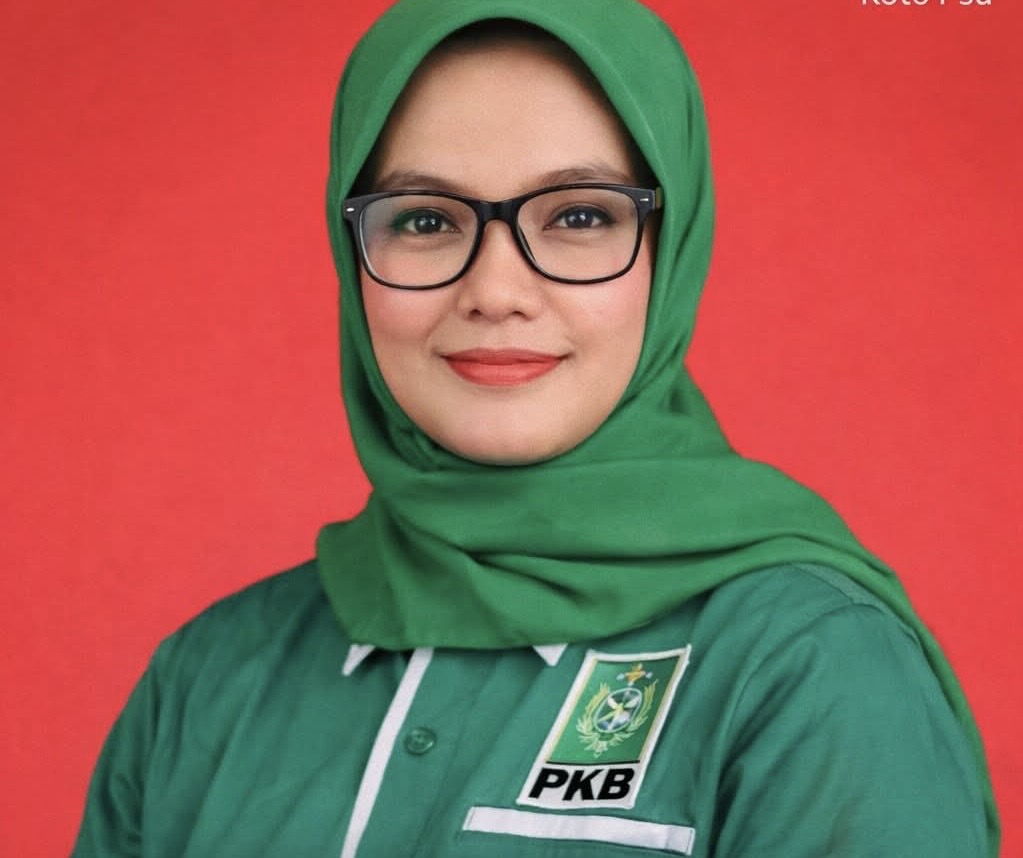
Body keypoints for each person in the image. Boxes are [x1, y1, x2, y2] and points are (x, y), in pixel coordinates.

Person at [73, 0, 998, 855]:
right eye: (424, 220)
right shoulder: (210, 675)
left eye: (579, 216)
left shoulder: (807, 665)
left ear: (670, 250)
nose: (494, 291)